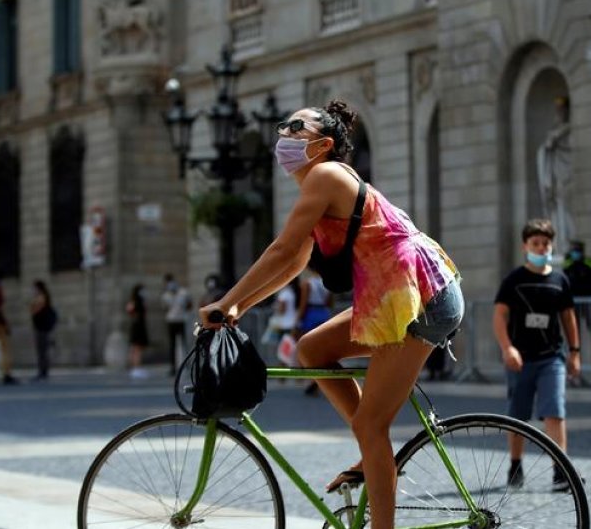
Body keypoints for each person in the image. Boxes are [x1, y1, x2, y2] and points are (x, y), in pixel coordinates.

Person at [199, 100, 463, 529]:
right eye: (284, 125)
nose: (282, 133)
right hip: (398, 299)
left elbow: (281, 249)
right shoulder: (318, 187)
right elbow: (294, 262)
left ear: (321, 145)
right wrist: (236, 308)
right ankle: (371, 449)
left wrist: (225, 300)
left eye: (294, 127)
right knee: (312, 348)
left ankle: (376, 476)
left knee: (371, 424)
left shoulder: (325, 176)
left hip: (425, 300)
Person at [493, 218, 582, 491]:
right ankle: (515, 464)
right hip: (521, 359)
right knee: (518, 415)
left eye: (545, 243)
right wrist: (507, 347)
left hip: (551, 357)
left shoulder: (559, 280)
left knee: (555, 411)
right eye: (535, 243)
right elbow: (499, 315)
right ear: (525, 246)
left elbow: (568, 317)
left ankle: (559, 470)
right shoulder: (514, 280)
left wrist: (575, 352)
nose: (541, 248)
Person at [536, 96, 574, 243]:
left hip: (566, 173)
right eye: (558, 110)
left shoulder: (566, 130)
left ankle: (567, 240)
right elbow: (546, 147)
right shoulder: (555, 131)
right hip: (556, 172)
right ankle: (560, 242)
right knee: (557, 207)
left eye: (562, 110)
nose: (560, 113)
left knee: (565, 205)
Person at [563, 240, 591, 358]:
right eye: (573, 250)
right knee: (574, 332)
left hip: (588, 302)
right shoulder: (567, 263)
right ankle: (576, 359)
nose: (574, 253)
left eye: (577, 250)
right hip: (572, 303)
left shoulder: (589, 263)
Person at [294, 270, 332, 394]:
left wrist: (297, 321)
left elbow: (303, 304)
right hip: (323, 313)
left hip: (311, 315)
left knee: (307, 346)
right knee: (323, 348)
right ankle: (319, 379)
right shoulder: (326, 283)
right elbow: (329, 302)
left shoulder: (307, 283)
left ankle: (312, 379)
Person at [160, 273, 193, 373]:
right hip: (171, 320)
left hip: (181, 320)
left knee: (184, 343)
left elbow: (189, 305)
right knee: (172, 344)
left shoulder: (183, 292)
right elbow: (164, 308)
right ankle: (173, 367)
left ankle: (187, 365)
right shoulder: (165, 295)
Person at [28, 280, 57, 381]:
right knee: (42, 350)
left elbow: (36, 309)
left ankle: (43, 371)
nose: (33, 290)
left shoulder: (41, 297)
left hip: (41, 328)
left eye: (34, 288)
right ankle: (43, 370)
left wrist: (33, 306)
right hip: (41, 327)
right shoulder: (42, 297)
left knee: (42, 350)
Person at [126, 284, 150, 379]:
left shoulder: (133, 301)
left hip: (136, 326)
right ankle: (136, 368)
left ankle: (134, 368)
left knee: (135, 348)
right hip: (138, 327)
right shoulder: (138, 301)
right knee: (137, 349)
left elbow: (130, 310)